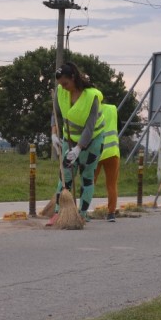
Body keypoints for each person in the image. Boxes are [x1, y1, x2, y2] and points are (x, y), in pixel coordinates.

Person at [49, 62, 105, 224]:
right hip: (69, 138)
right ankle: (59, 213)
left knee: (87, 176)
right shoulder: (62, 91)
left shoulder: (91, 96)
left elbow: (90, 126)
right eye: (60, 84)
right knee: (65, 176)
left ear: (73, 77)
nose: (63, 87)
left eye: (65, 83)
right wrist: (53, 133)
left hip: (92, 140)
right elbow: (55, 112)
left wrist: (79, 149)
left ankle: (82, 213)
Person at [94, 102, 120, 222]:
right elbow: (118, 124)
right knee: (112, 184)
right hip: (112, 152)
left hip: (96, 152)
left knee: (89, 183)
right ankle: (111, 213)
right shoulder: (112, 108)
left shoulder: (91, 109)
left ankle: (82, 212)